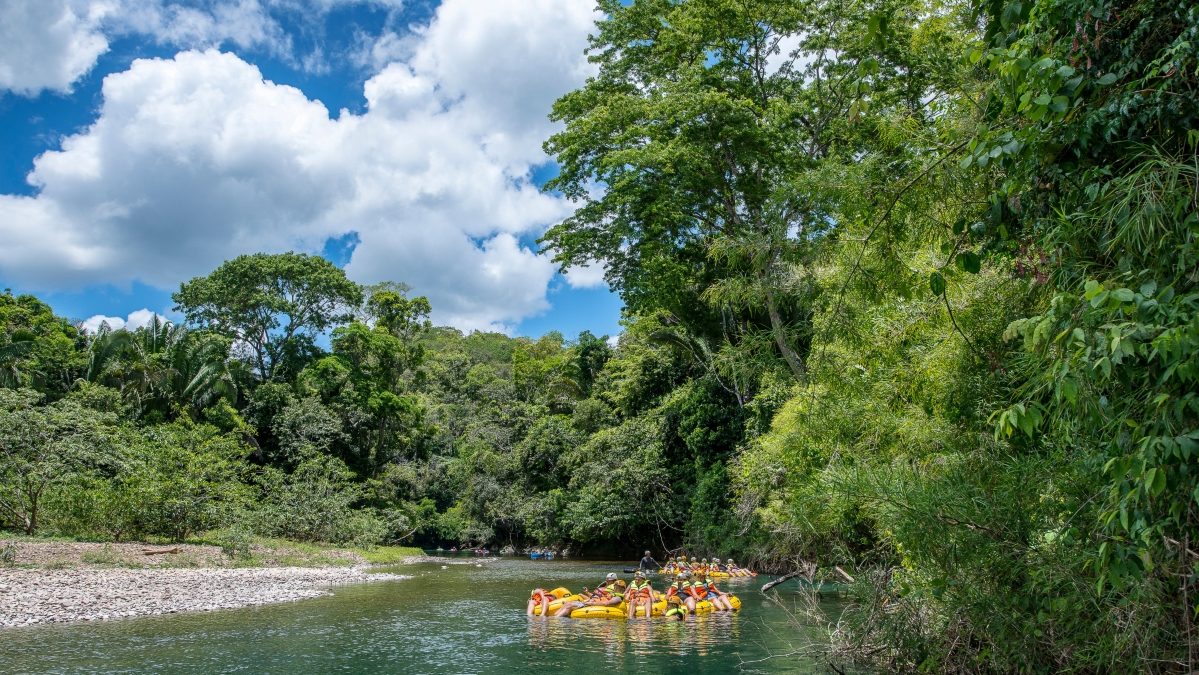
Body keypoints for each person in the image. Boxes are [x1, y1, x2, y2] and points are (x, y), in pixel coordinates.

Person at [554, 573, 624, 617]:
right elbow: (599, 598)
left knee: (569, 605)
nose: (608, 581)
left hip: (592, 604)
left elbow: (606, 603)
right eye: (615, 586)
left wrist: (591, 603)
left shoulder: (617, 597)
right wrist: (588, 595)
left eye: (617, 587)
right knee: (567, 603)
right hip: (592, 602)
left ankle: (556, 621)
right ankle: (554, 618)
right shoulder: (610, 593)